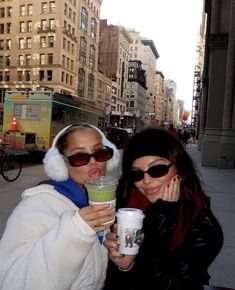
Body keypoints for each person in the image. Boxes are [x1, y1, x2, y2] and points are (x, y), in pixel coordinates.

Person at [0, 123, 121, 290]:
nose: (94, 162)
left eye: (99, 153)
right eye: (79, 156)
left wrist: (116, 257)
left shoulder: (97, 201)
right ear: (61, 164)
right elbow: (10, 283)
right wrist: (76, 231)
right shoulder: (33, 208)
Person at [103, 126, 224, 290]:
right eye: (137, 174)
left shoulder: (203, 226)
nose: (146, 180)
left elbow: (170, 285)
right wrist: (123, 265)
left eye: (157, 169)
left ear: (179, 167)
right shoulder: (123, 205)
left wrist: (160, 221)